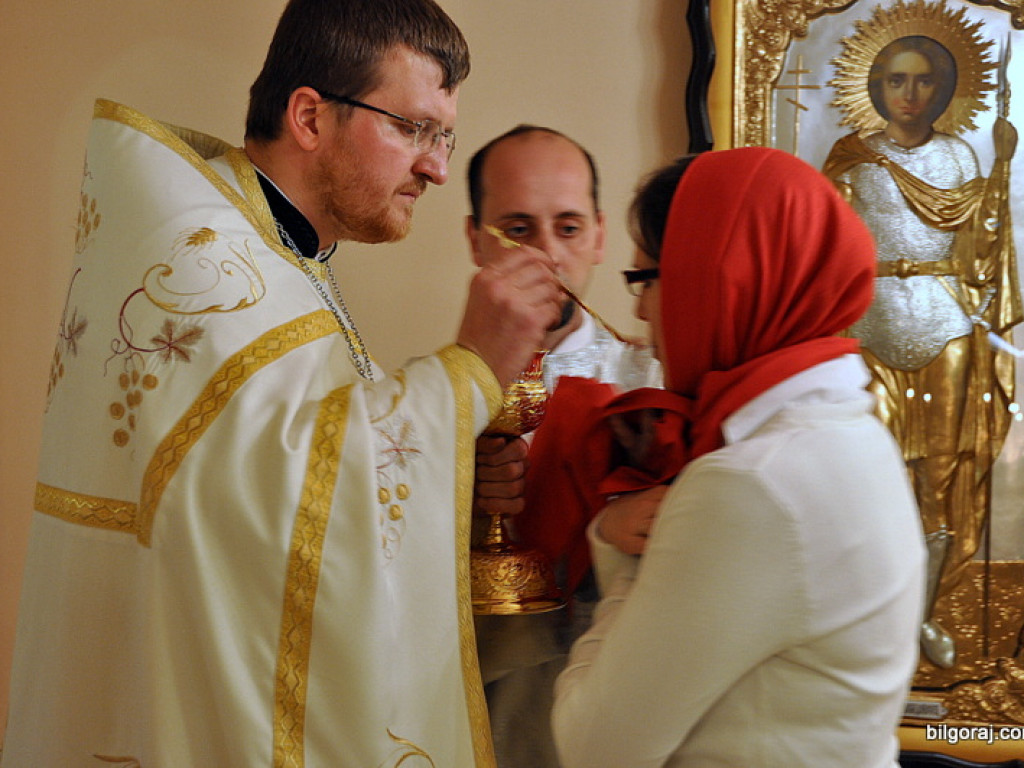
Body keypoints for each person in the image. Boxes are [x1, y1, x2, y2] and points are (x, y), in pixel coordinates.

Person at [1, 1, 565, 766]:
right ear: (309, 116)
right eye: (413, 128)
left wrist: (450, 479)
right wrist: (468, 371)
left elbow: (266, 491)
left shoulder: (278, 256)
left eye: (443, 135)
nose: (435, 166)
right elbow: (285, 507)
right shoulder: (205, 268)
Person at [549, 147, 926, 767]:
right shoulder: (850, 434)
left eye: (646, 279)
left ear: (720, 276)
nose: (640, 310)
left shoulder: (752, 484)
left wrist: (626, 561)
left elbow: (593, 744)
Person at [464, 125, 660, 767]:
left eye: (569, 227)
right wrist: (453, 493)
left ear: (601, 235)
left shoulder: (657, 387)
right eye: (517, 230)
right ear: (474, 238)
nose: (547, 254)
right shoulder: (427, 402)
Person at [823, 33, 1020, 669]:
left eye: (923, 80)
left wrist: (999, 171)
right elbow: (825, 248)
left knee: (942, 470)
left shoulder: (962, 157)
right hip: (868, 324)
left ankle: (925, 610)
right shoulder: (850, 157)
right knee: (876, 463)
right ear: (875, 87)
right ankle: (879, 606)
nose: (909, 94)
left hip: (947, 322)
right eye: (894, 80)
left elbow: (983, 246)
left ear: (944, 88)